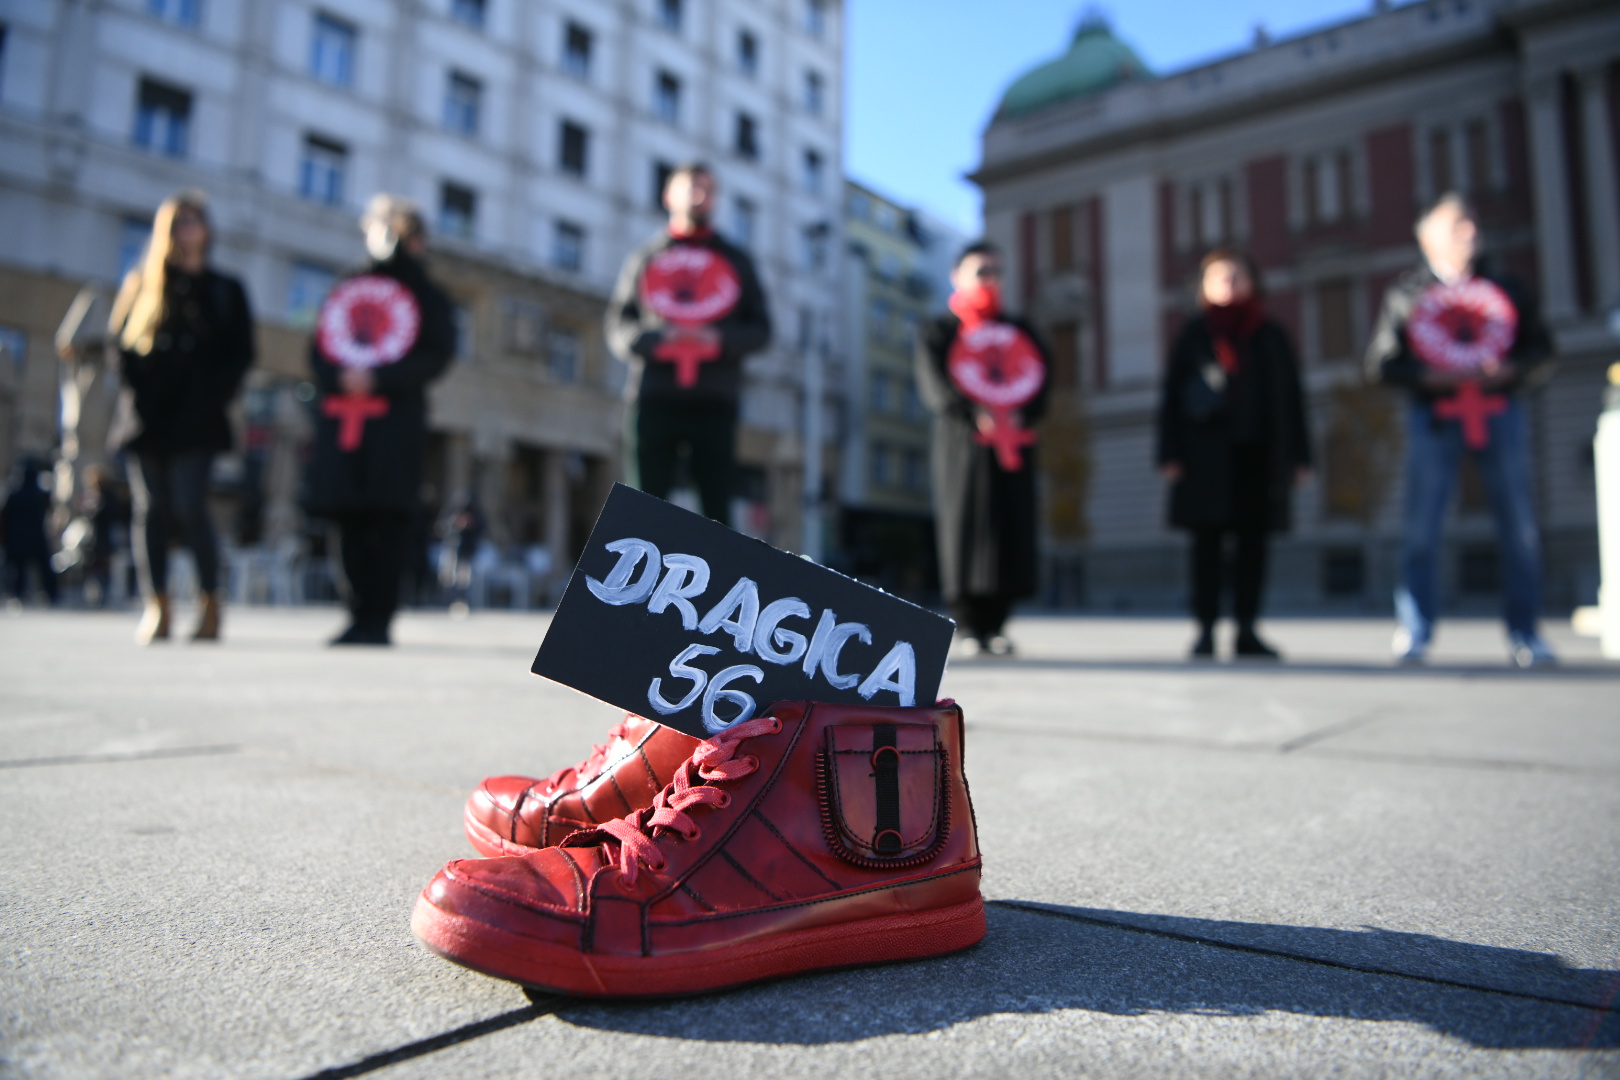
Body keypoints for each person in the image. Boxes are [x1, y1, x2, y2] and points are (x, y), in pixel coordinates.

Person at [1366, 193, 1554, 667]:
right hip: (1435, 416)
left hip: (1497, 410)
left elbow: (1543, 350)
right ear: (1428, 237)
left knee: (1520, 528)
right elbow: (1382, 364)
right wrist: (1428, 378)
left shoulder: (1505, 286)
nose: (1471, 233)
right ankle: (1415, 629)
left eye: (1472, 225)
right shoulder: (1407, 294)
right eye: (1457, 226)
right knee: (1421, 528)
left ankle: (1526, 631)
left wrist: (1510, 371)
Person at [307, 194, 455, 646]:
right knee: (346, 516)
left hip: (395, 421)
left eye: (401, 231)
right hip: (344, 419)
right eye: (382, 228)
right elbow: (319, 348)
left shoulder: (427, 295)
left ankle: (380, 614)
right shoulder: (349, 286)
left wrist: (381, 377)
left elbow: (437, 354)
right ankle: (355, 610)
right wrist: (341, 376)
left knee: (388, 517)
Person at [108, 191, 255, 643]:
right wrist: (143, 390)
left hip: (198, 418)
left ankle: (211, 603)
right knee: (151, 510)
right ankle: (159, 605)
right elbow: (122, 346)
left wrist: (214, 393)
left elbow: (241, 352)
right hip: (149, 417)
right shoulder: (144, 285)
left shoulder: (224, 289)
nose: (188, 229)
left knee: (191, 506)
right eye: (179, 222)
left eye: (195, 220)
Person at [1156, 249, 1311, 660]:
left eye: (1237, 275)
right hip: (1204, 458)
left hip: (1259, 457)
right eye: (1218, 277)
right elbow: (1171, 398)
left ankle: (1246, 629)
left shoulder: (1270, 334)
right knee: (1205, 547)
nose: (1229, 283)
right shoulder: (1194, 334)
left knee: (1253, 547)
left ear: (1253, 281)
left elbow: (1292, 398)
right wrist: (1169, 454)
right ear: (1204, 287)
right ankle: (1205, 630)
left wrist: (1300, 456)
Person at [607, 162, 771, 523]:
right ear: (669, 196)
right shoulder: (646, 257)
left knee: (717, 515)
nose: (699, 196)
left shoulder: (736, 260)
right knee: (645, 512)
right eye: (690, 187)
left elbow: (761, 330)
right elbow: (620, 328)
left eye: (707, 190)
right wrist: (659, 340)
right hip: (654, 398)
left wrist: (718, 340)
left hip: (714, 402)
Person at [916, 241, 1049, 656]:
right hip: (963, 445)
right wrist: (972, 411)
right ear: (957, 277)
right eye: (980, 271)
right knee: (965, 528)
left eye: (996, 271)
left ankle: (999, 623)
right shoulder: (939, 330)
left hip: (1012, 443)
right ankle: (969, 624)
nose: (989, 278)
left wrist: (1023, 413)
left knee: (1011, 526)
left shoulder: (1021, 330)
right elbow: (934, 384)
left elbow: (1041, 379)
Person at [1, 457, 59, 606]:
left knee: (18, 570)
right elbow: (50, 509)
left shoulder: (14, 494)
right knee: (43, 567)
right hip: (35, 536)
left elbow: (4, 516)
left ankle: (18, 594)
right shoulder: (39, 494)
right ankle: (51, 593)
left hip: (17, 538)